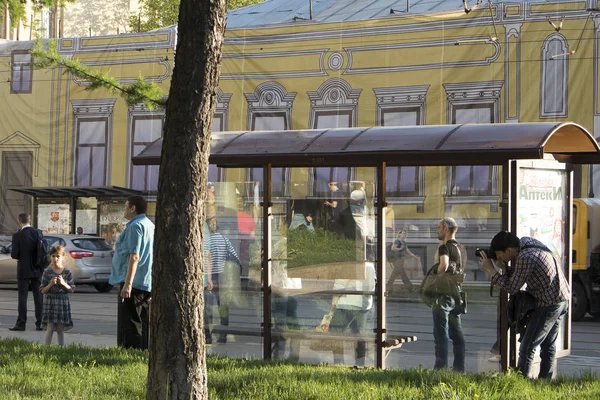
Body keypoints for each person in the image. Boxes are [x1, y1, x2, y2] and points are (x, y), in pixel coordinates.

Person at [479, 231, 570, 379]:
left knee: (527, 348)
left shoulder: (525, 257)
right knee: (548, 346)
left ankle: (521, 383)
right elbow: (519, 275)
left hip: (548, 304)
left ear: (508, 250)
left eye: (500, 255)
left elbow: (512, 287)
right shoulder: (528, 244)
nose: (499, 258)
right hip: (561, 300)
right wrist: (502, 267)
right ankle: (544, 382)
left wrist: (491, 270)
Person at [109, 195, 154, 349]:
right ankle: (143, 351)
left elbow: (134, 256)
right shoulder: (150, 225)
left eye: (125, 207)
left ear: (133, 208)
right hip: (146, 280)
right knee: (142, 320)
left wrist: (127, 284)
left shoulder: (135, 227)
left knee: (131, 321)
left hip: (133, 280)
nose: (124, 210)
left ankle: (133, 353)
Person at [431, 217, 465, 372]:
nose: (437, 229)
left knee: (441, 334)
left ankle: (440, 368)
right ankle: (459, 369)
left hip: (443, 294)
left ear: (445, 229)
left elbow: (442, 265)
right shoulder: (459, 247)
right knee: (457, 333)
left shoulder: (445, 247)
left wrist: (436, 277)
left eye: (439, 227)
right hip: (456, 294)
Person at [326, 261, 376, 366]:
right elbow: (372, 286)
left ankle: (338, 362)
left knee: (336, 332)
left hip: (345, 303)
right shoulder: (370, 266)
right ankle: (360, 364)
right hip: (363, 304)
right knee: (358, 334)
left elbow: (339, 286)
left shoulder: (348, 264)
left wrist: (333, 306)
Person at [207, 216, 241, 344]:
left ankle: (207, 335)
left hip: (209, 277)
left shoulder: (206, 240)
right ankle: (223, 336)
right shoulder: (225, 240)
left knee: (207, 307)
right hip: (223, 278)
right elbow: (235, 258)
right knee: (223, 307)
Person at [9, 213, 44, 331]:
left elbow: (14, 254)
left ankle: (21, 323)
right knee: (38, 296)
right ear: (30, 220)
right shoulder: (38, 233)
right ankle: (40, 323)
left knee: (22, 297)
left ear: (20, 222)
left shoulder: (17, 235)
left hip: (23, 269)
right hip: (37, 268)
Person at [40, 245, 74, 345]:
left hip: (62, 302)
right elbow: (42, 290)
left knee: (60, 328)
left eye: (58, 256)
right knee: (50, 328)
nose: (55, 259)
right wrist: (50, 284)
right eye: (53, 256)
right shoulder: (47, 272)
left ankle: (61, 348)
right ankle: (46, 348)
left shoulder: (67, 272)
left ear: (63, 257)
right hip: (50, 302)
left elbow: (71, 289)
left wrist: (63, 283)